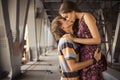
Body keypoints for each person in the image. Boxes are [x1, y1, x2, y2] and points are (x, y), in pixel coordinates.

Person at [59, 1, 104, 80]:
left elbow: (97, 40)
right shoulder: (78, 22)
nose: (67, 19)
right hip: (83, 58)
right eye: (65, 18)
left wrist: (74, 39)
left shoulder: (86, 16)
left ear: (72, 10)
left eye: (66, 16)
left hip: (91, 56)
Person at [51, 16, 101, 80]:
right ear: (62, 27)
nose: (68, 19)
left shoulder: (71, 38)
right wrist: (94, 60)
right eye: (64, 20)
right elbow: (73, 67)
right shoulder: (66, 41)